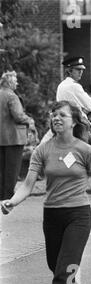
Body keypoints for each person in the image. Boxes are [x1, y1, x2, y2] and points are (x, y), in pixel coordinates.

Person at [1, 100, 91, 284]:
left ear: (74, 122)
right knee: (57, 266)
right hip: (52, 215)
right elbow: (27, 185)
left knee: (65, 270)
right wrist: (13, 201)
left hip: (78, 216)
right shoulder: (42, 150)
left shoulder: (87, 152)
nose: (56, 118)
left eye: (62, 115)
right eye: (54, 115)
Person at [41, 56, 91, 144]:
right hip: (77, 124)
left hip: (63, 122)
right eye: (77, 70)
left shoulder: (61, 85)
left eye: (81, 70)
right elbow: (90, 106)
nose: (80, 72)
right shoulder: (74, 86)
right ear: (69, 71)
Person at [0, 70, 35, 200]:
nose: (17, 84)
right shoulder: (11, 96)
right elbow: (19, 116)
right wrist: (30, 120)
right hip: (13, 138)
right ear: (9, 82)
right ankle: (8, 196)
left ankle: (1, 195)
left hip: (1, 138)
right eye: (15, 81)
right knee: (12, 170)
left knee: (2, 169)